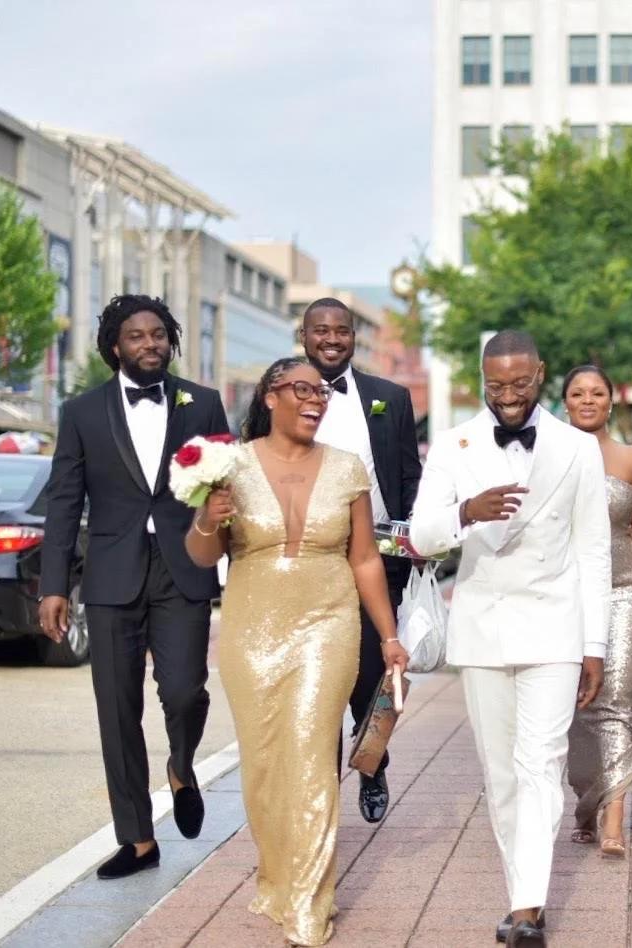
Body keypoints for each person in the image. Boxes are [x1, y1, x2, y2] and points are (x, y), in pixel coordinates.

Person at [185, 357, 409, 948]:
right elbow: (203, 555)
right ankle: (278, 880)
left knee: (311, 755)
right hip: (252, 630)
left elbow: (365, 558)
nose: (316, 400)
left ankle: (310, 905)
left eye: (322, 392)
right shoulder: (228, 464)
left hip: (326, 623)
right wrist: (208, 519)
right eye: (302, 389)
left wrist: (389, 637)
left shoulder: (347, 466)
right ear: (271, 395)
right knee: (263, 765)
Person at [409, 331, 610, 948]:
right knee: (501, 773)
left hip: (555, 624)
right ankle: (520, 889)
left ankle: (528, 909)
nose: (509, 396)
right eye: (496, 385)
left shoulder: (577, 446)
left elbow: (593, 549)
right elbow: (421, 535)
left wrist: (595, 645)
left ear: (541, 373)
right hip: (483, 625)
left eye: (520, 383)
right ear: (481, 378)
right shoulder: (455, 444)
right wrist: (465, 512)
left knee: (540, 763)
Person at [39, 295, 230, 880]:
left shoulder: (203, 402)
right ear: (114, 347)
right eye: (136, 336)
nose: (150, 344)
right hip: (110, 573)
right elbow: (64, 500)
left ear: (171, 340)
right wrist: (53, 586)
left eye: (158, 334)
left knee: (185, 690)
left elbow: (226, 487)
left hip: (183, 565)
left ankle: (181, 766)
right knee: (117, 709)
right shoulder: (81, 412)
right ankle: (139, 840)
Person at [302, 297, 422, 823]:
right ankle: (320, 794)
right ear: (303, 336)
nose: (332, 339)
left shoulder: (390, 398)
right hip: (309, 562)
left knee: (375, 676)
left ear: (355, 337)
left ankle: (373, 761)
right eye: (321, 330)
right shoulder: (283, 392)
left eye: (342, 331)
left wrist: (416, 538)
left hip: (379, 559)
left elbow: (408, 477)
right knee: (320, 681)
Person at [560, 365, 632, 858]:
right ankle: (586, 801)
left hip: (625, 591)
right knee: (575, 705)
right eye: (577, 393)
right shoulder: (548, 457)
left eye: (597, 393)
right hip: (564, 596)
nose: (588, 401)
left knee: (617, 701)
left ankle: (614, 818)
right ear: (565, 402)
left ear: (610, 400)